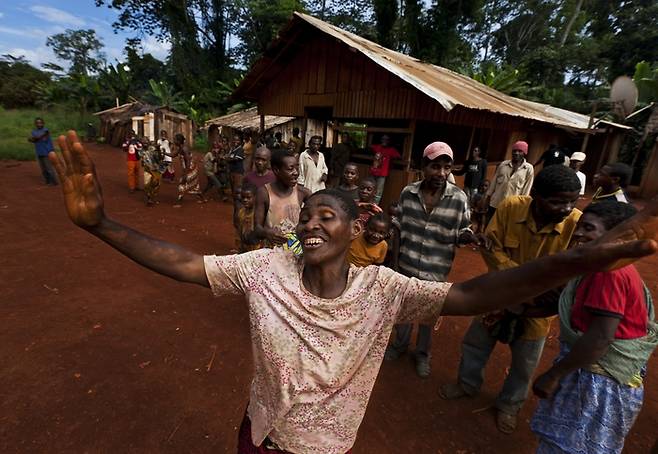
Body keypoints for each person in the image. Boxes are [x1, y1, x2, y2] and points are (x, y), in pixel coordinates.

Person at [49, 131, 658, 454]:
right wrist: (102, 226)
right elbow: (184, 263)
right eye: (306, 216)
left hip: (322, 448)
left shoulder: (383, 288)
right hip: (258, 433)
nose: (311, 223)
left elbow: (473, 296)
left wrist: (574, 261)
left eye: (326, 217)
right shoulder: (266, 267)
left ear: (354, 230)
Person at [440, 165, 584, 434]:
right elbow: (492, 250)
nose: (566, 208)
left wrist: (524, 292)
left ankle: (509, 406)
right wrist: (525, 285)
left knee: (525, 362)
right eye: (557, 201)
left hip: (537, 310)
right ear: (535, 195)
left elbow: (566, 275)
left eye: (572, 201)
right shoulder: (509, 207)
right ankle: (467, 384)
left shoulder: (576, 224)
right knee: (475, 344)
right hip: (496, 297)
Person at [530, 200, 658, 454]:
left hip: (597, 383)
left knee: (569, 447)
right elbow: (568, 303)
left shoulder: (607, 274)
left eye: (588, 228)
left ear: (617, 236)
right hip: (598, 376)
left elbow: (600, 337)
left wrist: (554, 374)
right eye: (578, 226)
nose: (578, 234)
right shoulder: (599, 268)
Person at [385, 142, 477, 377]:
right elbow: (398, 229)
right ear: (423, 166)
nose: (441, 173)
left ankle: (423, 354)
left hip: (435, 273)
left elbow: (463, 231)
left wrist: (467, 236)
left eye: (447, 168)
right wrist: (395, 266)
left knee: (428, 317)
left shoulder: (459, 198)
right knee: (403, 311)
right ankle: (399, 345)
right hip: (406, 267)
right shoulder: (408, 192)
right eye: (435, 167)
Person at [254, 150, 311, 246]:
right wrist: (267, 233)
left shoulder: (303, 193)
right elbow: (257, 228)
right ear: (276, 170)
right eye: (290, 169)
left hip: (296, 252)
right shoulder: (264, 193)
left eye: (297, 168)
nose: (296, 173)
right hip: (272, 253)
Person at [485, 140, 534, 223]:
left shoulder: (528, 169)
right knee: (489, 226)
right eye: (514, 151)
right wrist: (486, 197)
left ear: (524, 153)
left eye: (520, 151)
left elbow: (526, 191)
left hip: (512, 207)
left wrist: (521, 207)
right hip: (495, 204)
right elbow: (493, 182)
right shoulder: (503, 165)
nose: (516, 153)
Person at [172, 133, 203, 206]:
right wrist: (164, 153)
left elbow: (188, 161)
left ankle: (179, 202)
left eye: (175, 140)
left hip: (190, 168)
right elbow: (173, 155)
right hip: (188, 168)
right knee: (194, 184)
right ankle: (202, 198)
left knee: (182, 183)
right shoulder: (181, 148)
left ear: (179, 141)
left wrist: (185, 174)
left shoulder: (184, 149)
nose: (174, 141)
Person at [369, 134, 401, 204]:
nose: (384, 141)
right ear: (381, 140)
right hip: (373, 172)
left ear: (389, 141)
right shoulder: (377, 147)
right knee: (369, 189)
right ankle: (367, 205)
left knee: (378, 193)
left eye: (386, 140)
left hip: (382, 174)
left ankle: (373, 208)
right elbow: (369, 147)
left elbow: (399, 156)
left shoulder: (391, 150)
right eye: (383, 139)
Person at [28, 117, 58, 185]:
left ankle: (54, 181)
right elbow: (31, 139)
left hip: (47, 151)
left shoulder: (46, 130)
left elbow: (36, 138)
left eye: (40, 123)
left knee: (49, 168)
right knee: (43, 169)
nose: (39, 124)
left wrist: (34, 138)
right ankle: (47, 181)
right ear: (35, 124)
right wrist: (34, 139)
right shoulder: (34, 131)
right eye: (37, 123)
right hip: (39, 152)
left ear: (43, 123)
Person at [236, 184, 262, 252]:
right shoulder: (241, 212)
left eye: (248, 197)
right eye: (243, 197)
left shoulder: (259, 214)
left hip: (257, 249)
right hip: (245, 247)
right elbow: (239, 231)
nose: (245, 200)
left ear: (255, 198)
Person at [141, 141, 164, 206]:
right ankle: (149, 199)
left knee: (156, 184)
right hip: (147, 170)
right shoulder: (141, 151)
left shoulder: (154, 150)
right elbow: (142, 160)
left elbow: (160, 158)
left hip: (156, 170)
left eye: (145, 141)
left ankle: (153, 197)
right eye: (143, 141)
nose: (144, 143)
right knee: (147, 183)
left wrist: (158, 150)